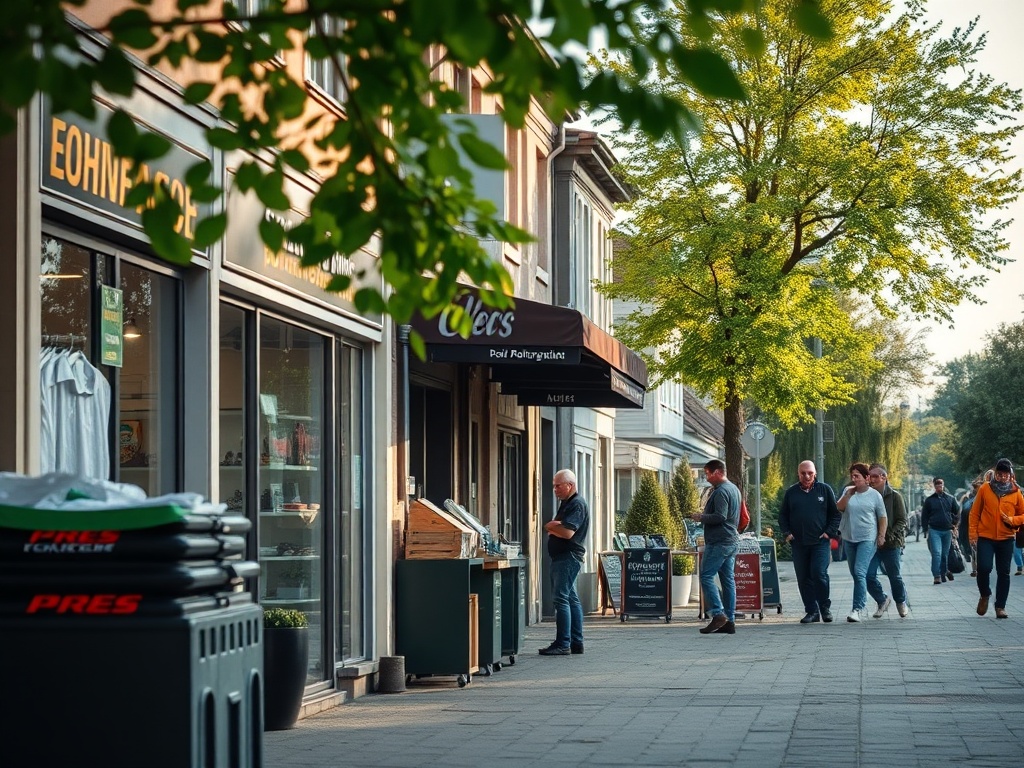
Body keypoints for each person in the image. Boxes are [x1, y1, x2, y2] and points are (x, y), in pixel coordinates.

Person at [779, 460, 841, 624]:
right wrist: (787, 533)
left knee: (819, 573)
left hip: (820, 542)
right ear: (798, 474)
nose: (806, 476)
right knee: (803, 577)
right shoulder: (791, 493)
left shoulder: (824, 490)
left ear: (815, 473)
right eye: (803, 473)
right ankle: (811, 611)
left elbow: (835, 515)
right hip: (799, 543)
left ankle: (824, 608)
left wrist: (829, 533)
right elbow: (783, 515)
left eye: (810, 473)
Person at [539, 469, 589, 655]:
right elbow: (560, 528)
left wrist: (552, 526)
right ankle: (576, 642)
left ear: (570, 485)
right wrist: (555, 527)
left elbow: (568, 532)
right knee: (570, 598)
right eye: (554, 486)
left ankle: (563, 643)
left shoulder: (576, 504)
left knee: (561, 598)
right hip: (565, 556)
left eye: (558, 486)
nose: (555, 489)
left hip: (568, 556)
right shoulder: (568, 503)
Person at [969, 458, 1024, 619]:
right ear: (996, 474)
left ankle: (1000, 606)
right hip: (986, 536)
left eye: (1006, 475)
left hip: (1006, 538)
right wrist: (973, 534)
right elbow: (975, 513)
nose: (1002, 477)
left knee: (1004, 572)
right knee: (984, 568)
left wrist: (1013, 520)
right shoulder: (985, 489)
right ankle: (985, 594)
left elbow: (1022, 514)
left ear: (1010, 475)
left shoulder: (1016, 492)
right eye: (1000, 474)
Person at [692, 458, 741, 635]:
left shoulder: (721, 491)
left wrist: (700, 517)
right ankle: (730, 621)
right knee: (728, 580)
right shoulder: (734, 489)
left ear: (718, 472)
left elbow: (720, 516)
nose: (707, 478)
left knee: (706, 576)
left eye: (708, 473)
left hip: (720, 541)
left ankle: (718, 613)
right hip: (730, 540)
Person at [836, 462, 887, 622]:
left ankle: (857, 609)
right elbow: (839, 507)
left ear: (866, 478)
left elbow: (882, 517)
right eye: (852, 476)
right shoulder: (848, 491)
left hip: (867, 538)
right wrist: (848, 495)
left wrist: (881, 535)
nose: (854, 479)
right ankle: (882, 599)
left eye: (857, 476)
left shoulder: (874, 495)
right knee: (856, 574)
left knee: (859, 572)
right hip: (849, 538)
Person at [865, 463, 910, 618]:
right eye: (870, 476)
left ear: (884, 477)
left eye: (876, 476)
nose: (873, 480)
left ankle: (901, 602)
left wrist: (887, 536)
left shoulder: (895, 496)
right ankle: (882, 600)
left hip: (891, 544)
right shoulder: (866, 495)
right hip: (871, 544)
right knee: (867, 575)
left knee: (894, 576)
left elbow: (902, 520)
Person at [921, 477, 961, 584]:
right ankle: (936, 575)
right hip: (934, 530)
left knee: (945, 554)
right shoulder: (929, 500)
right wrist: (925, 529)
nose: (939, 487)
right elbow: (924, 515)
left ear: (943, 485)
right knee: (936, 553)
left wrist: (955, 525)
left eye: (941, 484)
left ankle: (944, 573)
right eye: (937, 485)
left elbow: (957, 512)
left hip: (947, 530)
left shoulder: (950, 499)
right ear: (934, 486)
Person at [959, 480, 980, 577]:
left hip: (979, 529)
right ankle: (975, 569)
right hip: (971, 528)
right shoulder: (967, 500)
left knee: (976, 550)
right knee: (974, 550)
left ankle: (977, 568)